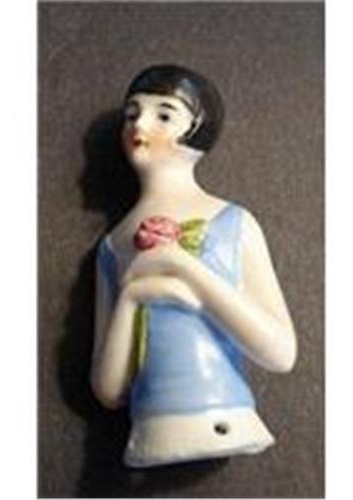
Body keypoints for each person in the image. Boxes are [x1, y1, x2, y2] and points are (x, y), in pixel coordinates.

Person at [91, 64, 297, 467]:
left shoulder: (233, 223)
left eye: (164, 115)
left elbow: (281, 353)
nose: (140, 125)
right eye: (132, 114)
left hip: (231, 423)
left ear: (198, 128)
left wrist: (183, 268)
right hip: (150, 437)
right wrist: (132, 297)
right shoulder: (113, 247)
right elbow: (109, 390)